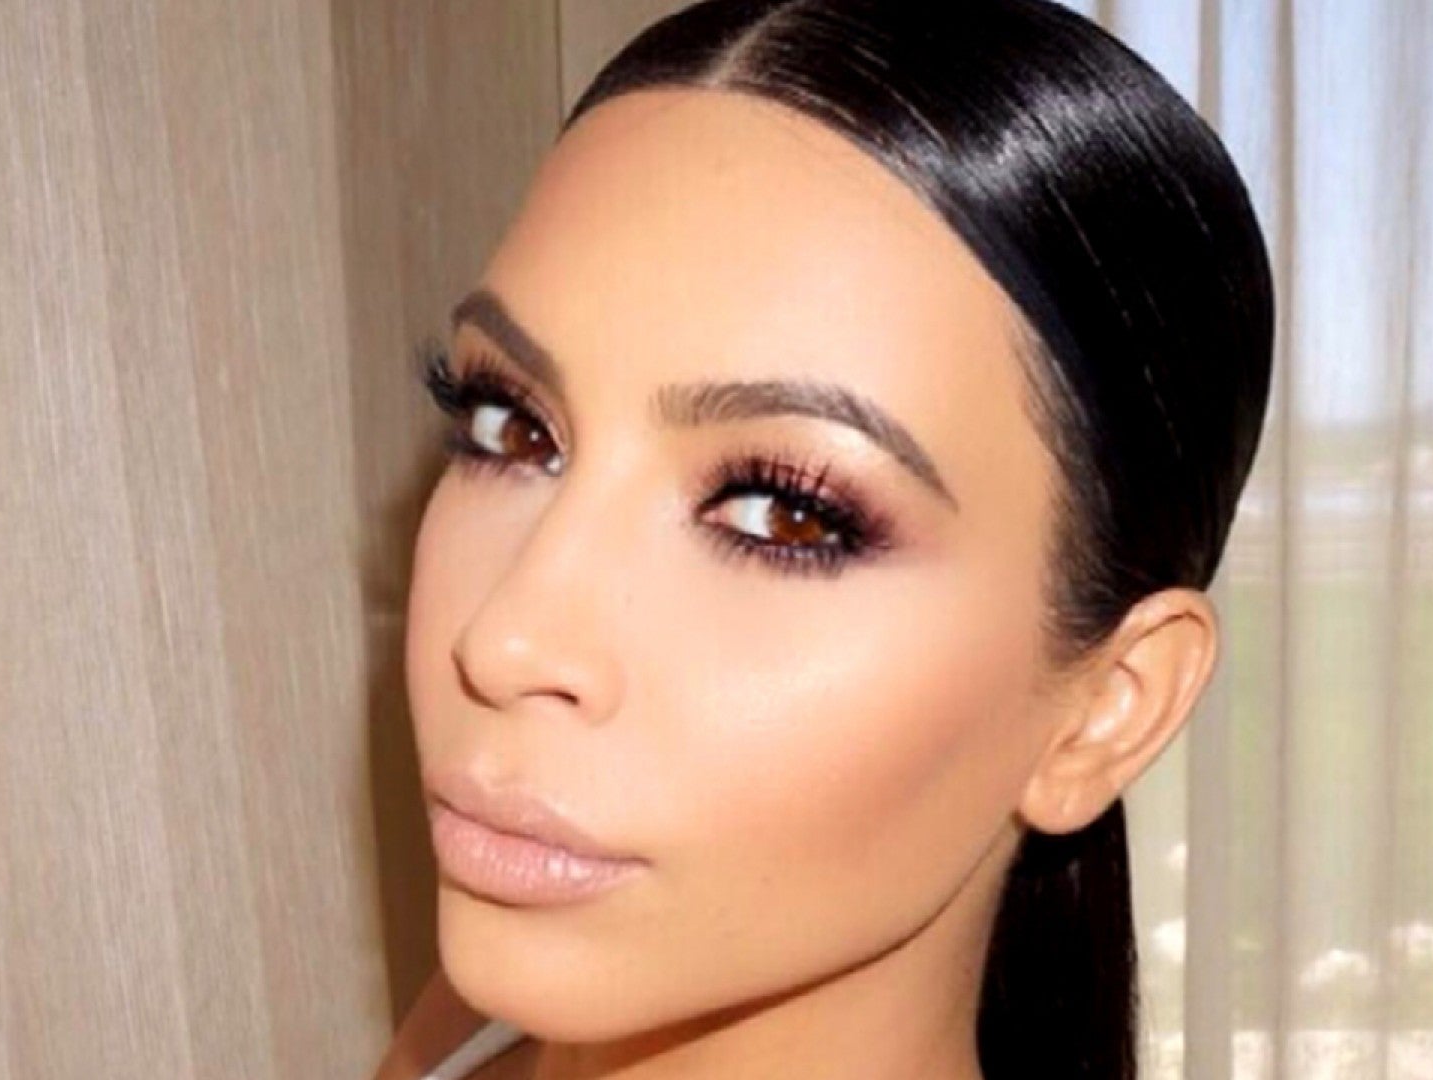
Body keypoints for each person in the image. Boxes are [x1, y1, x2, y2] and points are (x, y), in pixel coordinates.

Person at [373, 0, 1273, 1077]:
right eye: (511, 429)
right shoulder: (448, 1043)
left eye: (782, 514)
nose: (503, 640)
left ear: (1109, 710)